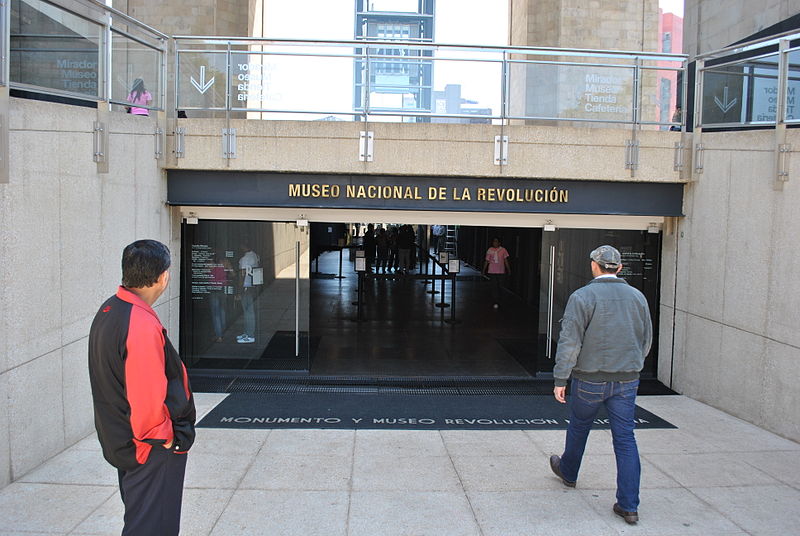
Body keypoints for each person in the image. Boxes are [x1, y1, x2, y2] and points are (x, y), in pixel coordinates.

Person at [88, 239, 195, 536]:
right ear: (162, 276)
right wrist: (167, 440)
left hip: (123, 439)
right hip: (149, 449)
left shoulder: (111, 309)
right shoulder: (139, 324)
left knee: (142, 518)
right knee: (152, 526)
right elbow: (147, 399)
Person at [548, 245, 652, 526]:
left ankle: (568, 473)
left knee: (579, 426)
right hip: (627, 380)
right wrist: (630, 365)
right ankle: (629, 506)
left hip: (589, 379)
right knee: (625, 439)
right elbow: (646, 339)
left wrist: (561, 379)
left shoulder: (583, 296)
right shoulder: (637, 297)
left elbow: (570, 342)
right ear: (618, 268)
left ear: (594, 265)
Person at [238, 243, 260, 344]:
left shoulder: (245, 259)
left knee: (248, 312)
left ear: (244, 246)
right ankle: (247, 333)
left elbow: (242, 274)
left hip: (246, 287)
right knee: (249, 312)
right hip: (252, 286)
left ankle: (250, 335)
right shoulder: (254, 255)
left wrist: (239, 290)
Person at [483, 237, 510, 308]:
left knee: (501, 286)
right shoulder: (490, 250)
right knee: (494, 286)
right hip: (492, 271)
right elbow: (487, 260)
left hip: (501, 271)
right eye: (493, 241)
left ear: (499, 243)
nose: (494, 243)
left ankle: (501, 299)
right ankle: (495, 300)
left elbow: (505, 260)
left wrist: (508, 269)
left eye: (496, 241)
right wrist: (484, 270)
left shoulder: (503, 250)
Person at [209, 251, 229, 343]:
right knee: (222, 311)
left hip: (214, 290)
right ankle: (223, 331)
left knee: (216, 314)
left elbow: (209, 278)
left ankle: (219, 335)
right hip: (222, 289)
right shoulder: (223, 266)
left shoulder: (211, 268)